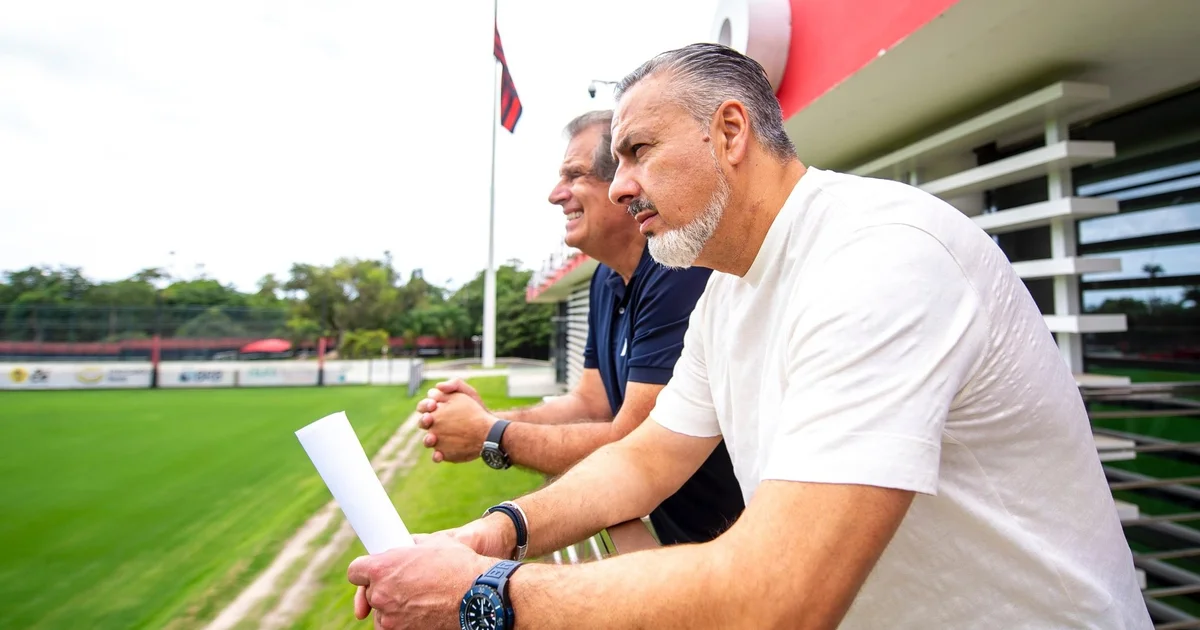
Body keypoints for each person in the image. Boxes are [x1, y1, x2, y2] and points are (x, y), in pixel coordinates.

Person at [347, 43, 1152, 629]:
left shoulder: (881, 257)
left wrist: (482, 593)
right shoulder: (729, 286)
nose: (618, 184)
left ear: (729, 132)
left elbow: (777, 595)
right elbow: (645, 460)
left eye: (637, 151)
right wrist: (490, 534)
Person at [414, 109, 744, 547]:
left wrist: (489, 435)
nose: (556, 195)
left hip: (732, 552)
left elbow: (631, 440)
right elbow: (591, 401)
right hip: (680, 542)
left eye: (574, 175)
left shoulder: (678, 272)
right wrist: (489, 420)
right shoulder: (605, 279)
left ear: (624, 186)